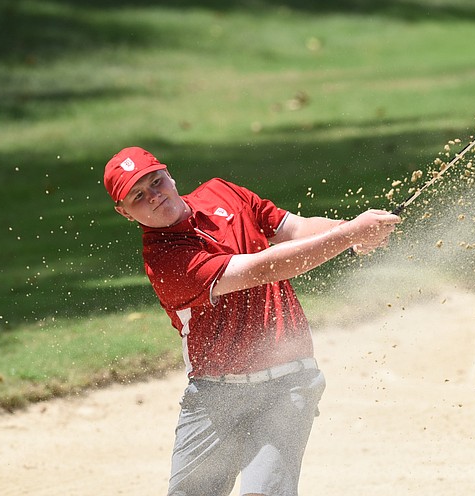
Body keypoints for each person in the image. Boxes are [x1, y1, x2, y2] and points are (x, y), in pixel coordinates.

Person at [103, 146, 399, 496]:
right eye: (138, 196)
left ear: (169, 175)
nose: (154, 196)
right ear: (124, 212)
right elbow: (263, 267)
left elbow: (295, 229)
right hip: (217, 395)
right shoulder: (166, 261)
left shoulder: (222, 192)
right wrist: (348, 235)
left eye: (156, 181)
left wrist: (350, 232)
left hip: (289, 383)